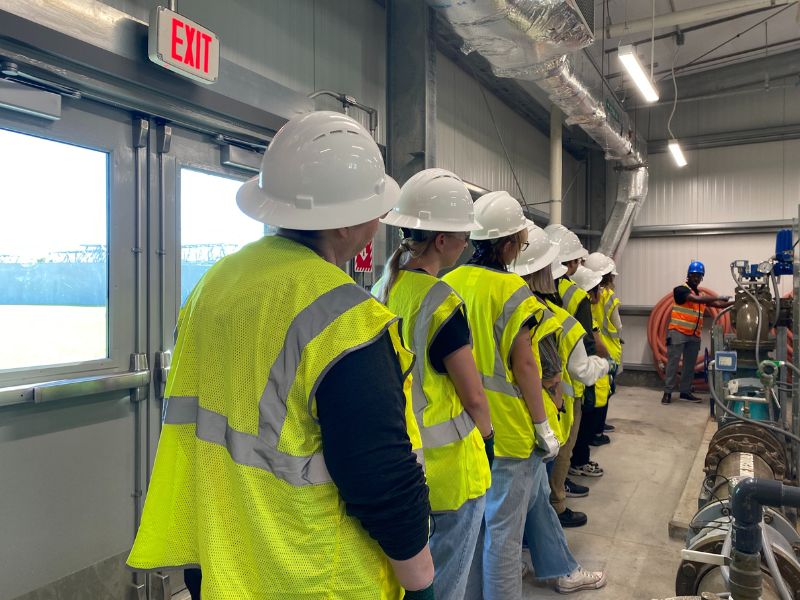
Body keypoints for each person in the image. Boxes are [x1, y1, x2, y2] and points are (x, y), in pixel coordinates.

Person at [126, 112, 435, 600]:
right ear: (351, 220)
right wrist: (421, 585)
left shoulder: (217, 282)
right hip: (312, 576)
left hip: (219, 564)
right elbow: (381, 477)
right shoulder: (346, 317)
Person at [443, 193, 597, 599]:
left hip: (462, 427)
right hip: (510, 430)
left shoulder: (448, 282)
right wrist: (543, 425)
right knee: (504, 538)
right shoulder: (512, 289)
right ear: (509, 244)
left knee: (476, 530)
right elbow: (525, 365)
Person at [372, 168, 493, 600]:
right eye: (463, 235)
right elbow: (474, 396)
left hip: (400, 468)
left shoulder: (383, 288)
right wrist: (489, 435)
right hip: (449, 477)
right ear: (442, 240)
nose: (467, 244)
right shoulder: (441, 302)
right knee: (445, 587)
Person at [508, 223, 606, 593]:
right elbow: (545, 375)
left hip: (499, 426)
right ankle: (556, 570)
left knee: (535, 503)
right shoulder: (546, 316)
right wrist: (545, 424)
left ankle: (558, 567)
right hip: (529, 424)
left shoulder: (476, 294)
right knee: (523, 508)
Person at [544, 226, 607, 483]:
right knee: (564, 444)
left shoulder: (532, 293)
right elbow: (587, 346)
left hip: (544, 380)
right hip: (568, 383)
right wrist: (604, 365)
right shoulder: (576, 296)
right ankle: (559, 498)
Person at [568, 266, 617, 480]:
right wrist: (607, 364)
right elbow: (595, 345)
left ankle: (578, 460)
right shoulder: (582, 314)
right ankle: (578, 462)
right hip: (583, 378)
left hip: (580, 378)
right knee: (582, 425)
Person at [662, 260, 733, 405]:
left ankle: (685, 392)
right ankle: (667, 393)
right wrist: (718, 296)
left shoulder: (700, 294)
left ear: (702, 278)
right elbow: (695, 299)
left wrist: (735, 302)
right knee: (673, 364)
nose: (696, 278)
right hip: (678, 332)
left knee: (689, 365)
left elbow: (719, 305)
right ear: (688, 275)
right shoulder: (680, 290)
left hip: (694, 335)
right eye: (694, 275)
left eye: (699, 276)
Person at [584, 252, 621, 446]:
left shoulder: (585, 293)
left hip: (593, 347)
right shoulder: (608, 297)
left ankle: (595, 429)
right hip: (608, 349)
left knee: (597, 392)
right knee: (603, 392)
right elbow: (618, 325)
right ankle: (596, 432)